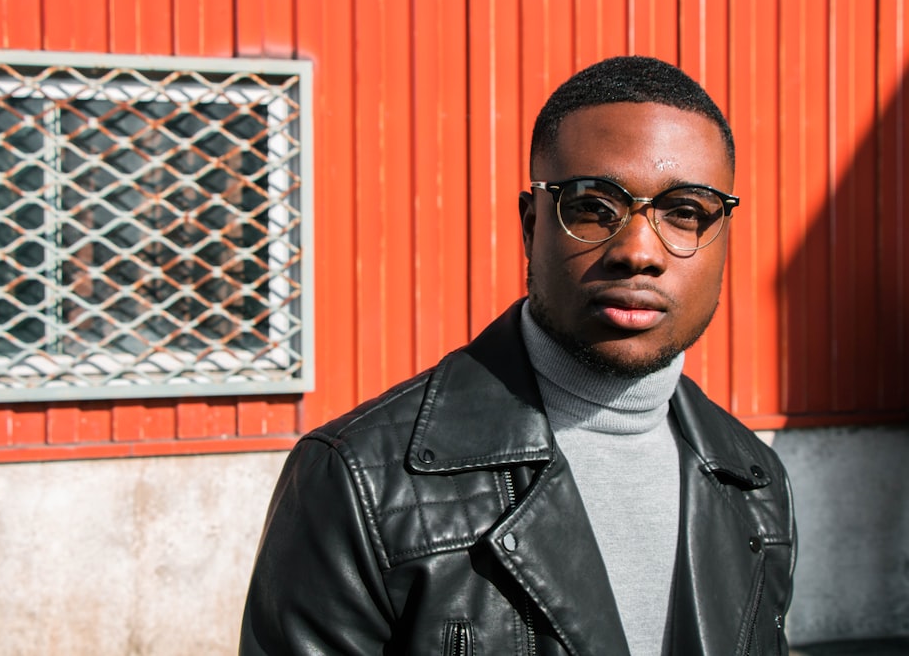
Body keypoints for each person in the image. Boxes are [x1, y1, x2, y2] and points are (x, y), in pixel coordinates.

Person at [240, 56, 796, 655]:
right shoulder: (361, 482)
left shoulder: (755, 484)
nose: (639, 251)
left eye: (685, 212)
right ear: (531, 227)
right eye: (592, 206)